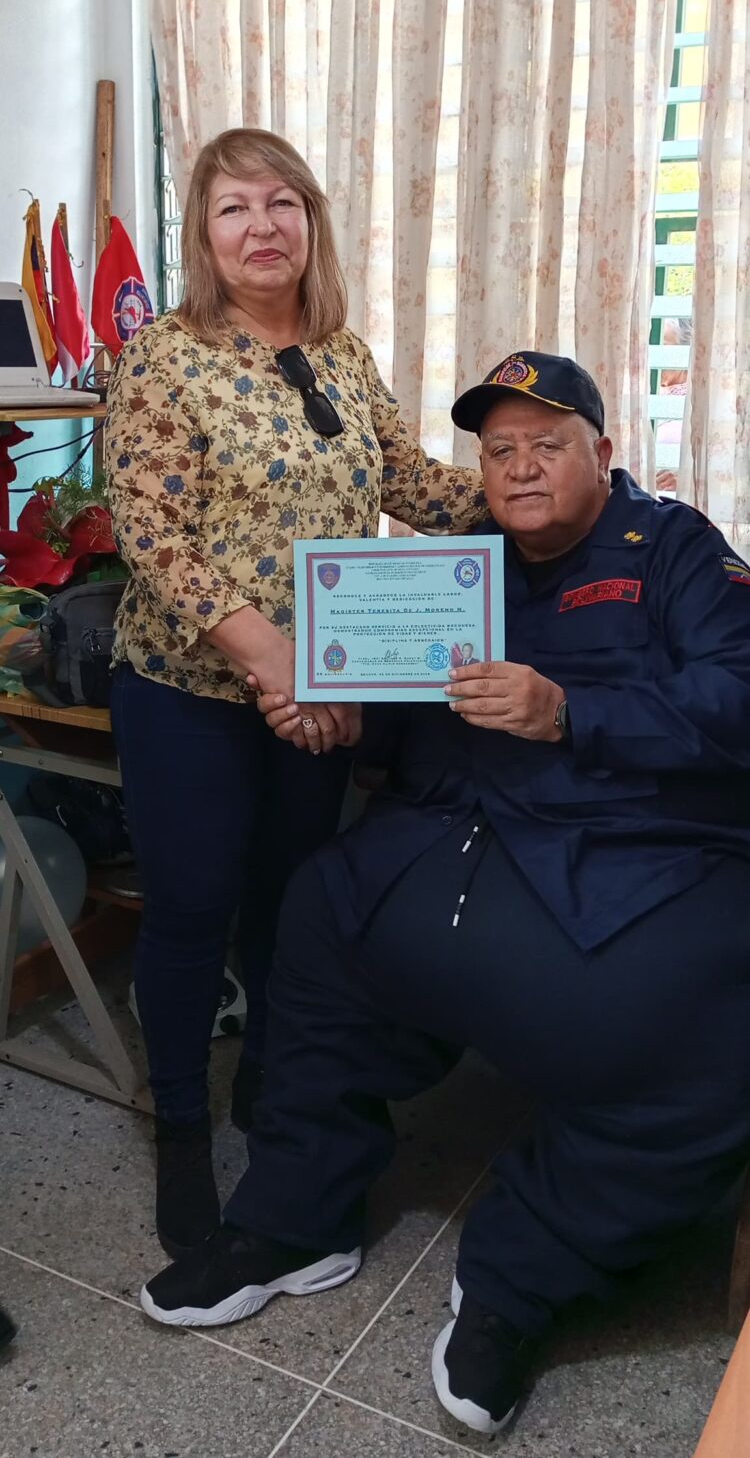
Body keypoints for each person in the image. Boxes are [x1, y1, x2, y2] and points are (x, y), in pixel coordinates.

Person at [138, 350, 750, 1437]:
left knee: (700, 1020)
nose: (519, 468)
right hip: (454, 839)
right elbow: (405, 718)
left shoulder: (676, 550)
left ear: (604, 454)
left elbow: (738, 700)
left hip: (625, 855)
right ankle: (296, 1219)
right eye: (499, 449)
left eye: (547, 444)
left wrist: (569, 710)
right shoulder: (455, 565)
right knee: (321, 908)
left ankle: (521, 1277)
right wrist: (339, 715)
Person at [105, 127, 485, 1260]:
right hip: (193, 687)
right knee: (189, 905)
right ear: (205, 235)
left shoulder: (344, 352)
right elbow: (154, 536)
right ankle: (179, 1122)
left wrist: (538, 485)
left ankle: (272, 1083)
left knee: (288, 899)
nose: (262, 226)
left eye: (282, 203)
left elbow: (409, 483)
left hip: (325, 689)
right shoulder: (165, 358)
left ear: (310, 221)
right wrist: (272, 658)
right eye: (234, 208)